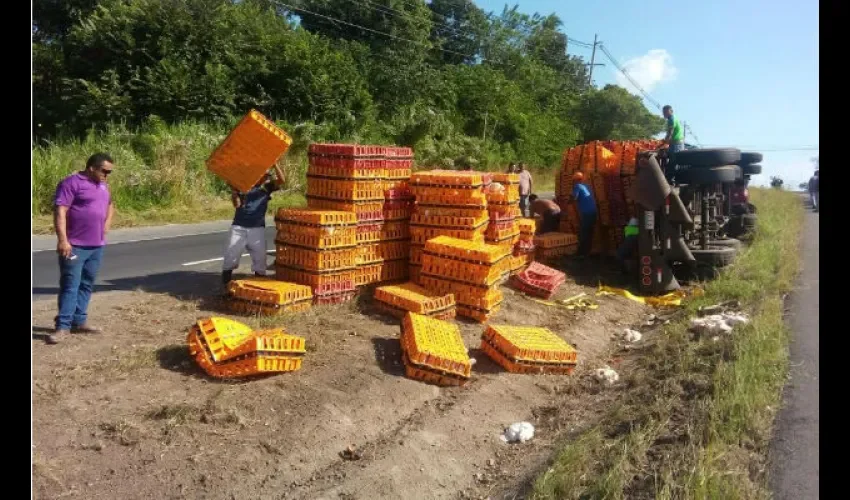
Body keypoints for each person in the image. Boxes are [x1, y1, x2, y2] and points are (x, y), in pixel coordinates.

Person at [48, 153, 116, 345]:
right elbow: (60, 210)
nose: (107, 175)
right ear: (92, 167)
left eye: (109, 172)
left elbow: (110, 205)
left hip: (96, 245)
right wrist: (63, 240)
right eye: (104, 171)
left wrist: (107, 224)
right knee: (71, 285)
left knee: (87, 283)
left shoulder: (103, 185)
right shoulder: (71, 183)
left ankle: (79, 320)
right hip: (75, 245)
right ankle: (63, 326)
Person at [222, 166, 285, 285]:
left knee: (260, 259)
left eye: (267, 177)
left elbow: (282, 180)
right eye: (265, 176)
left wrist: (276, 164)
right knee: (231, 255)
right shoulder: (243, 186)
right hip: (239, 227)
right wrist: (235, 193)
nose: (266, 179)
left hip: (257, 228)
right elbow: (236, 204)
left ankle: (259, 284)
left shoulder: (266, 188)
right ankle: (225, 285)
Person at [571, 172, 598, 258]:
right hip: (593, 212)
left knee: (583, 233)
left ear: (576, 180)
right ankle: (587, 252)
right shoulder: (586, 186)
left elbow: (573, 198)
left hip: (587, 213)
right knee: (589, 233)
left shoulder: (577, 186)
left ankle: (580, 253)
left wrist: (566, 203)